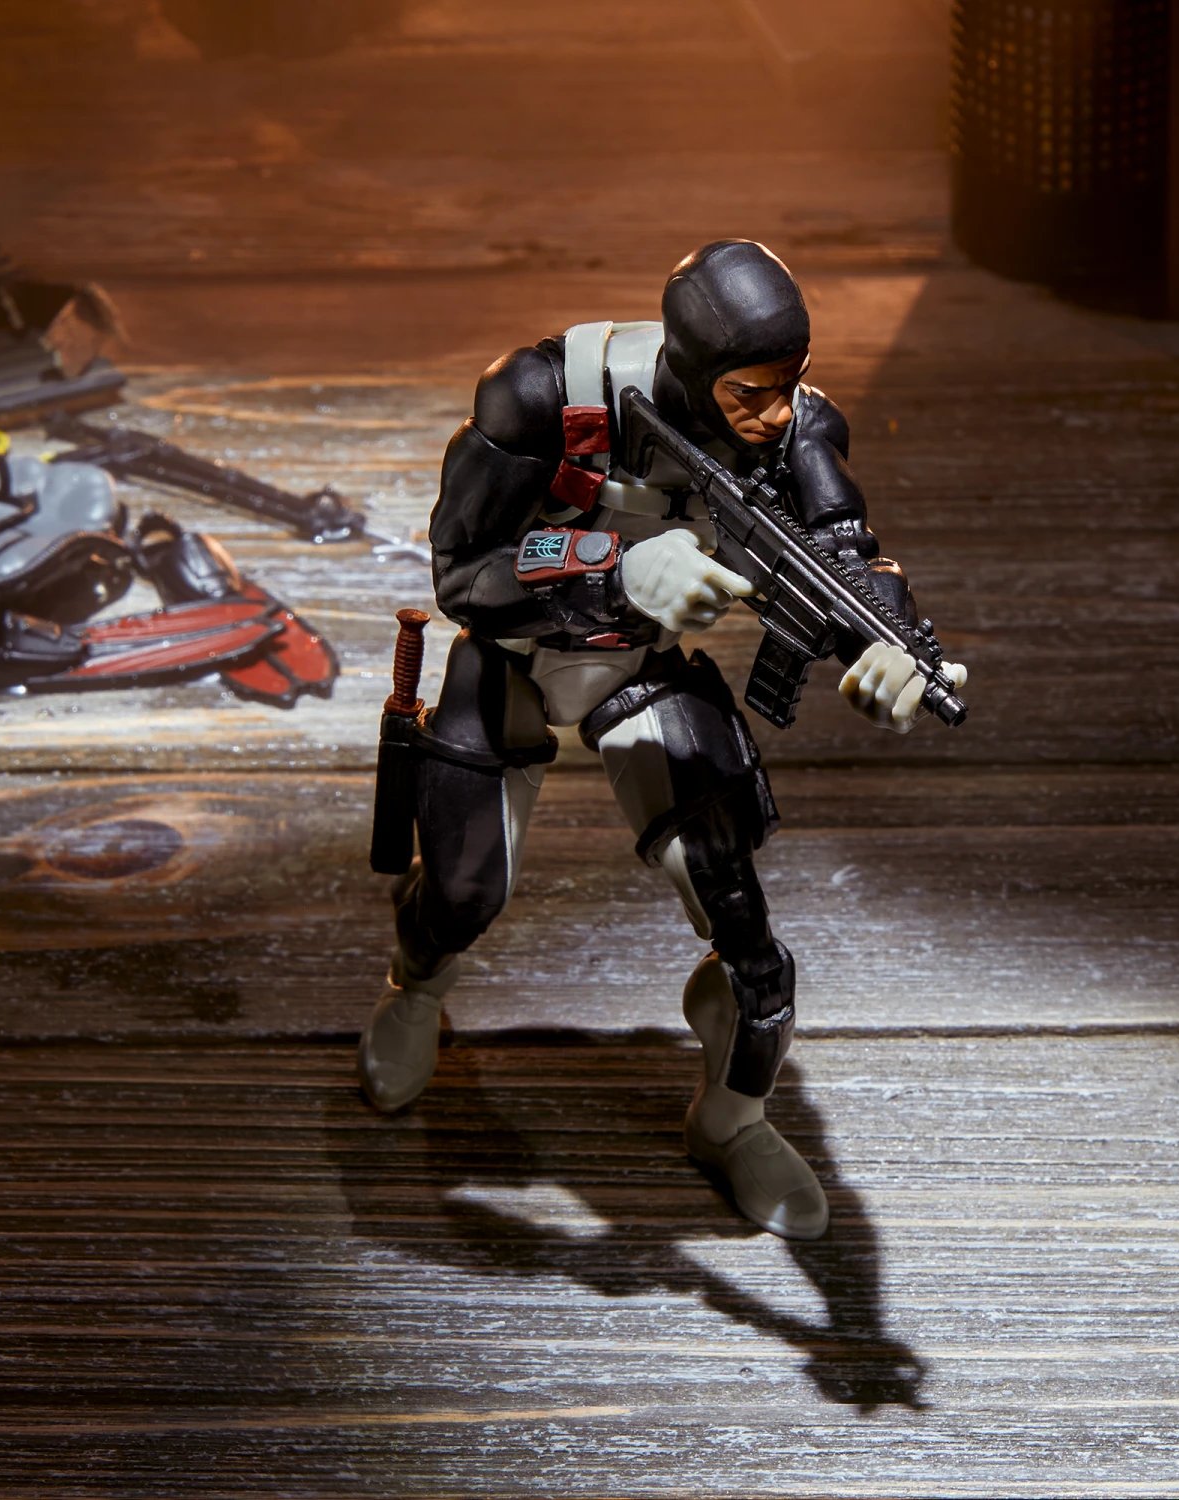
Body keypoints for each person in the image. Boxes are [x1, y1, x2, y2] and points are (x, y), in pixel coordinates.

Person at [357, 240, 966, 1241]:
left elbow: (846, 550)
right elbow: (463, 573)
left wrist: (893, 641)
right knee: (463, 890)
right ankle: (413, 992)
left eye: (790, 384)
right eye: (749, 393)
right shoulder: (543, 396)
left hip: (638, 668)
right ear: (691, 367)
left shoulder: (798, 428)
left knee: (748, 940)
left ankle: (733, 1122)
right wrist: (613, 566)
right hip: (515, 652)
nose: (776, 414)